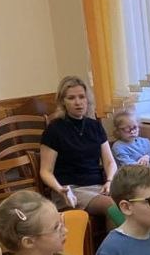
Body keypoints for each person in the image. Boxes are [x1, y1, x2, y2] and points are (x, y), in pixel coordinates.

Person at [38, 75, 116, 216]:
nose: (78, 102)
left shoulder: (95, 126)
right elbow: (45, 171)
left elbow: (110, 162)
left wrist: (109, 181)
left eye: (81, 97)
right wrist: (60, 189)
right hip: (69, 191)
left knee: (131, 201)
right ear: (63, 102)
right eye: (71, 98)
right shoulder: (54, 130)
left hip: (99, 187)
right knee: (111, 206)